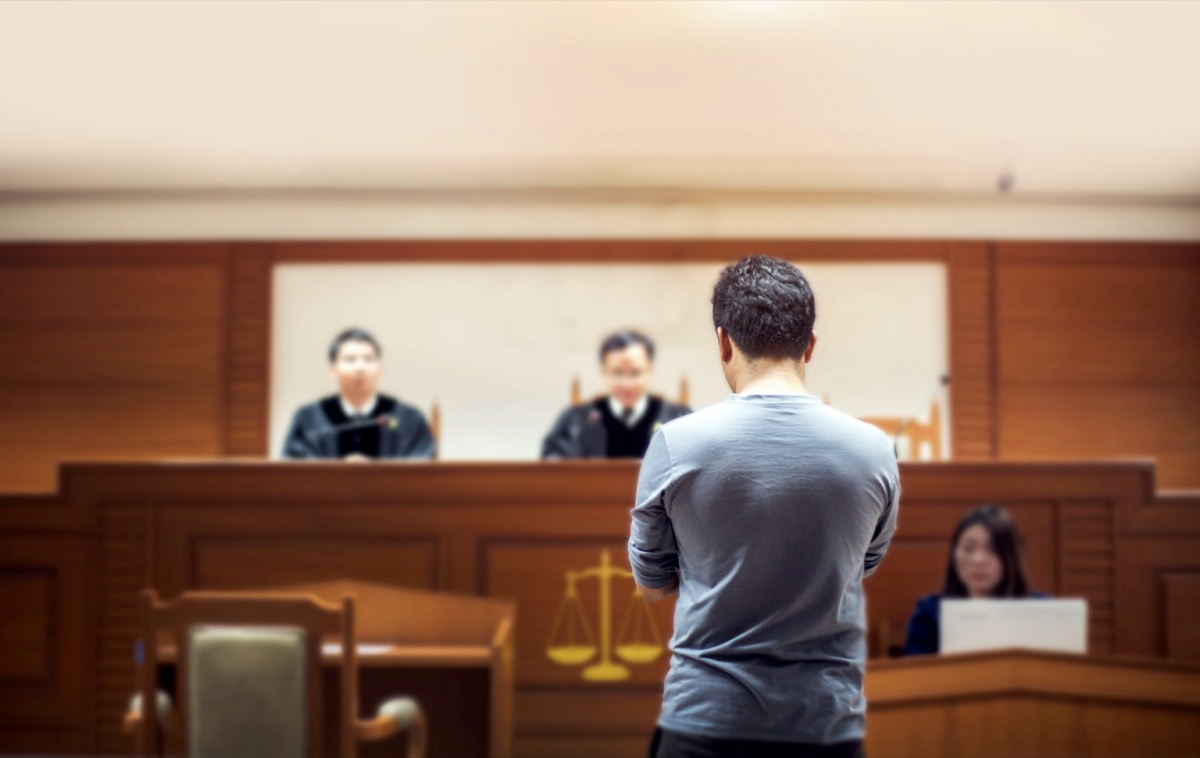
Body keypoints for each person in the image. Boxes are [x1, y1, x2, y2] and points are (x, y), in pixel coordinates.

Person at [628, 256, 899, 758]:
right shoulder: (875, 450)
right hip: (826, 728)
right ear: (810, 345)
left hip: (704, 724)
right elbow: (859, 565)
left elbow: (650, 586)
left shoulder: (674, 445)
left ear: (724, 341)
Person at [902, 503, 1048, 656]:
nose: (979, 560)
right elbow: (914, 674)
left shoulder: (1042, 610)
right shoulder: (930, 611)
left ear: (1010, 557)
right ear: (954, 553)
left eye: (993, 550)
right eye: (968, 548)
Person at [281, 327, 435, 460]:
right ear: (333, 370)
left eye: (368, 359)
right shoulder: (309, 418)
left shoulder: (407, 418)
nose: (360, 367)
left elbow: (421, 470)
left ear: (380, 368)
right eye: (350, 359)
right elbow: (294, 471)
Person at [541, 330, 691, 459]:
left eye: (635, 372)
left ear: (650, 370)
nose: (627, 383)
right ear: (604, 371)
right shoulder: (575, 420)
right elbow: (553, 465)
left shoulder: (678, 417)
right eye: (617, 373)